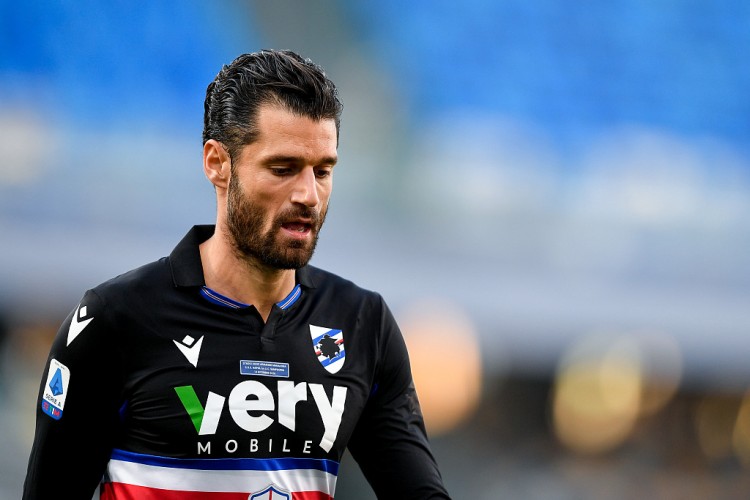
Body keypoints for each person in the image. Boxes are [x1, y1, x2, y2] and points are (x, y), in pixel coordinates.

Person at [23, 49, 451, 499]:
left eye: (323, 171)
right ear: (217, 164)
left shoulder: (363, 323)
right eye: (283, 169)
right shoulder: (114, 319)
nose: (309, 194)